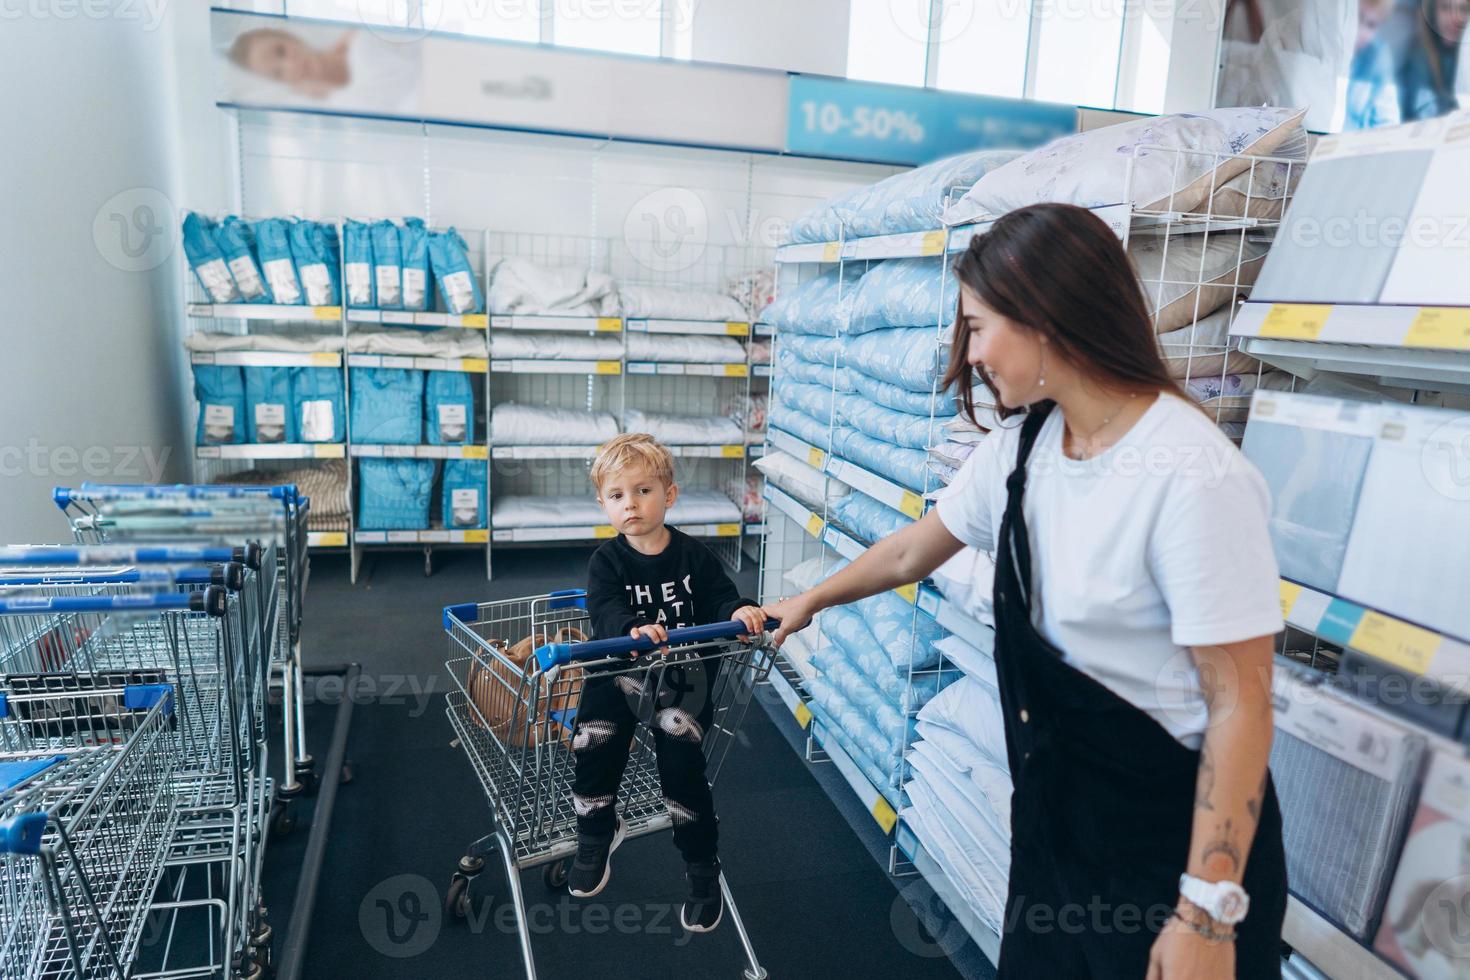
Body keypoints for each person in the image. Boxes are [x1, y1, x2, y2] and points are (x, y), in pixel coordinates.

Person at [763, 203, 1289, 978]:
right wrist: (810, 600)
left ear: (1045, 317)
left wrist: (1207, 914)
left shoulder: (1192, 474)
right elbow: (915, 547)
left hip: (1170, 851)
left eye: (978, 326)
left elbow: (1241, 703)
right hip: (1056, 830)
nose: (969, 353)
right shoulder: (1024, 447)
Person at [568, 434, 765, 934]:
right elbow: (606, 610)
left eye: (643, 491)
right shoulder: (606, 562)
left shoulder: (694, 557)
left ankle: (703, 870)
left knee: (683, 776)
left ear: (669, 495)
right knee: (593, 741)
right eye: (617, 496)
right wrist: (629, 631)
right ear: (603, 504)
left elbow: (722, 599)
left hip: (683, 681)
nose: (630, 504)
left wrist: (738, 609)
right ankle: (597, 828)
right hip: (618, 673)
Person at [1398, 0, 1470, 120]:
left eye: (1463, 9)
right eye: (1445, 8)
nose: (1454, 19)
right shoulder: (1419, 54)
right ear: (1432, 12)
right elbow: (1422, 110)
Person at [1347, 0, 1403, 129]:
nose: (1360, 31)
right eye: (1356, 17)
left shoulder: (1378, 57)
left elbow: (1388, 120)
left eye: (1371, 25)